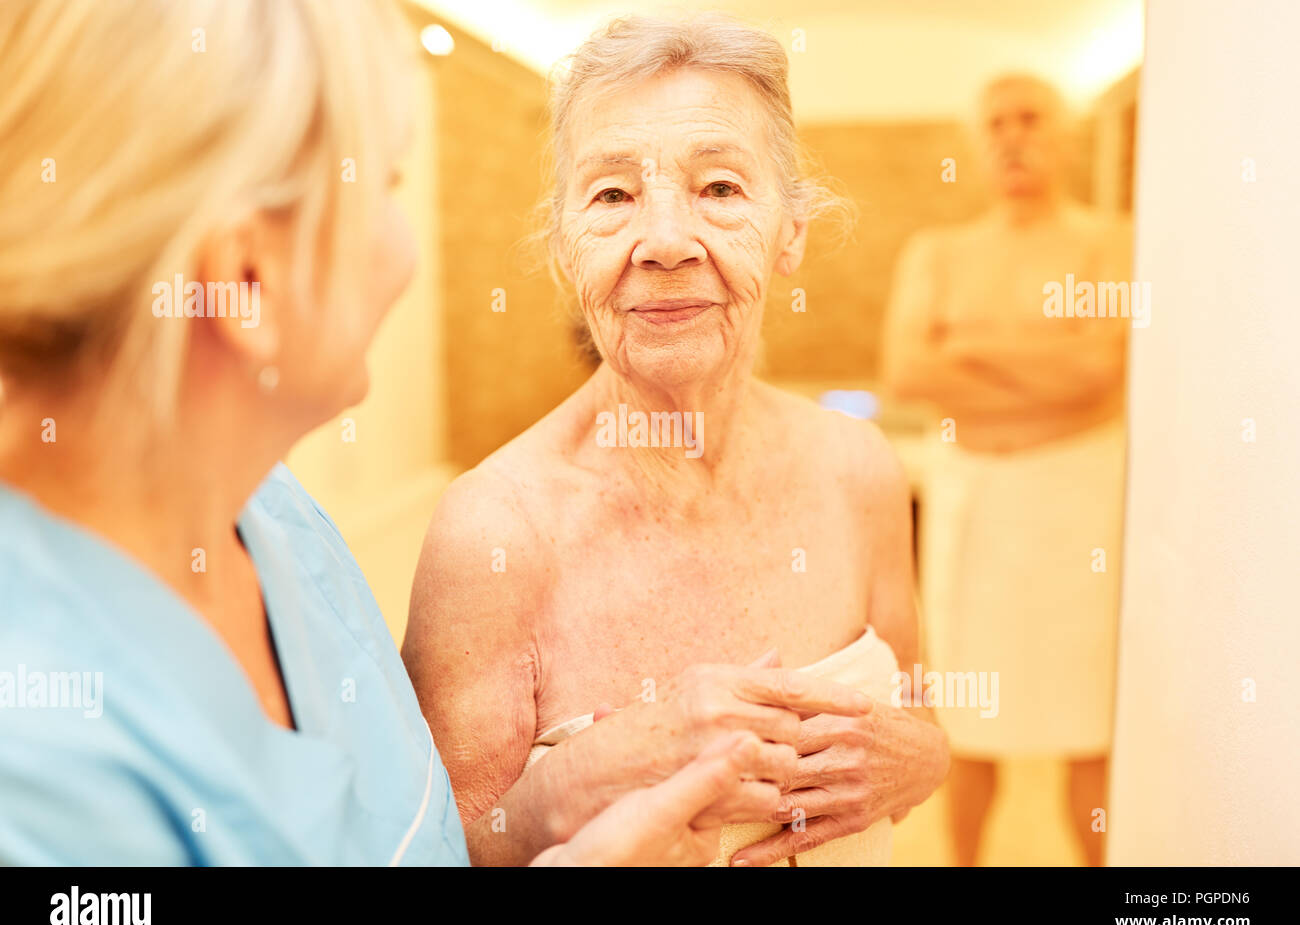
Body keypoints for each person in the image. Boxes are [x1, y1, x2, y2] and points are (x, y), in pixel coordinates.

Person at [0, 0, 867, 866]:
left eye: (719, 188)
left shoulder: (277, 521)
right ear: (248, 281)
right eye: (384, 188)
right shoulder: (43, 772)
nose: (407, 253)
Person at [403, 14, 950, 868]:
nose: (663, 243)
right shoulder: (493, 532)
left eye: (720, 189)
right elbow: (440, 849)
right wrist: (582, 779)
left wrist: (927, 760)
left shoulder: (859, 471)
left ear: (790, 231)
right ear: (562, 244)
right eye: (613, 195)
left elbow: (914, 716)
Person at [880, 74, 1131, 866]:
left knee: (1089, 718)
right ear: (976, 145)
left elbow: (1097, 371)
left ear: (1066, 136)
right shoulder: (940, 252)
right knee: (970, 720)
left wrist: (973, 346)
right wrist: (1044, 359)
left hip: (1080, 504)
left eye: (1030, 119)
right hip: (977, 503)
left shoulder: (1109, 243)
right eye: (995, 123)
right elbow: (908, 372)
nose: (1013, 136)